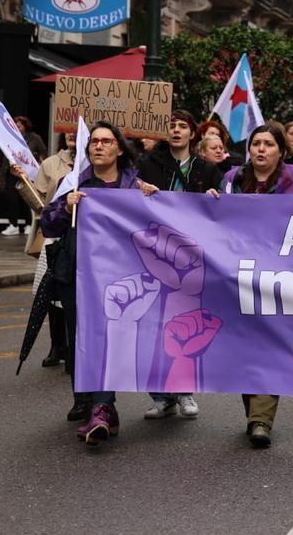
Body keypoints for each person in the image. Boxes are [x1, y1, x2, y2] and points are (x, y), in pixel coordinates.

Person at [39, 121, 159, 445]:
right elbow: (47, 226)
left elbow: (156, 224)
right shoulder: (74, 181)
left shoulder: (135, 185)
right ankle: (97, 405)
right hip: (77, 273)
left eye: (106, 141)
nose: (99, 146)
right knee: (82, 339)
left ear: (119, 148)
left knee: (109, 339)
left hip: (121, 279)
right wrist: (65, 207)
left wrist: (152, 199)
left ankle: (102, 407)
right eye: (94, 141)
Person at [221, 123, 293, 448]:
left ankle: (261, 419)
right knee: (245, 347)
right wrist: (209, 201)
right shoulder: (232, 180)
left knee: (268, 344)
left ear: (281, 151)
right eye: (256, 144)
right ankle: (254, 411)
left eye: (268, 144)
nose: (261, 149)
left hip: (277, 278)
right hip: (237, 275)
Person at [136, 110, 223, 421]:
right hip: (156, 253)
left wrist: (214, 198)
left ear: (192, 134)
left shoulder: (208, 170)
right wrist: (139, 190)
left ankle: (184, 391)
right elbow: (129, 202)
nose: (176, 130)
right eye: (171, 126)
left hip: (191, 259)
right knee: (153, 327)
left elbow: (219, 212)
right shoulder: (148, 164)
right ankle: (161, 396)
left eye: (182, 126)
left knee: (184, 325)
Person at [15, 130, 78, 368]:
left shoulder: (93, 163)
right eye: (67, 130)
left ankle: (75, 348)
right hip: (54, 237)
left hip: (82, 237)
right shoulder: (51, 163)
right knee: (52, 293)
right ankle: (57, 346)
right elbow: (38, 202)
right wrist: (23, 181)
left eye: (77, 129)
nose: (72, 133)